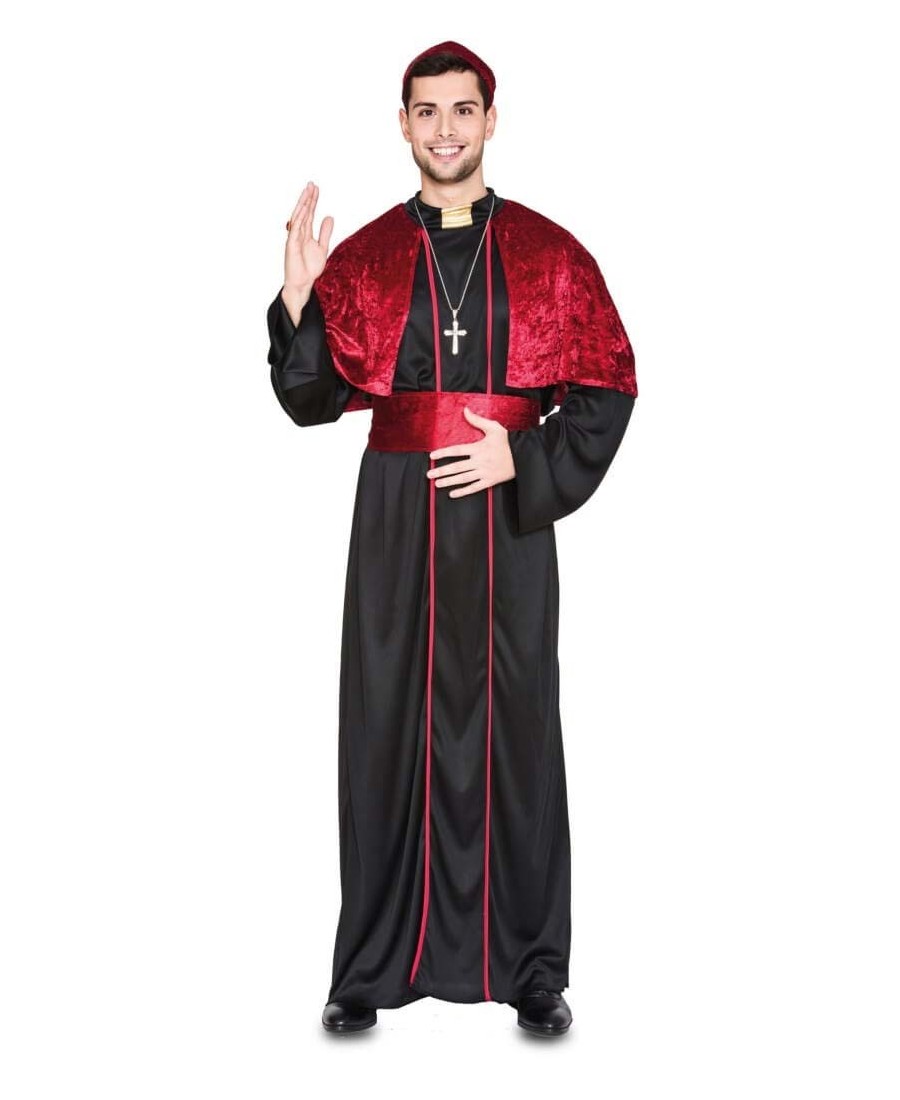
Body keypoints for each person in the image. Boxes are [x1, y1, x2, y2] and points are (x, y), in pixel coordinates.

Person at [266, 40, 638, 1036]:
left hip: (508, 521)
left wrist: (528, 458)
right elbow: (309, 397)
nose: (444, 129)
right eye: (426, 111)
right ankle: (367, 965)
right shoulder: (367, 258)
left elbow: (607, 386)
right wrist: (300, 302)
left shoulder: (553, 255)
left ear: (490, 120)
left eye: (462, 110)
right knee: (382, 722)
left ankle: (533, 967)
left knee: (519, 730)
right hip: (398, 513)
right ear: (403, 124)